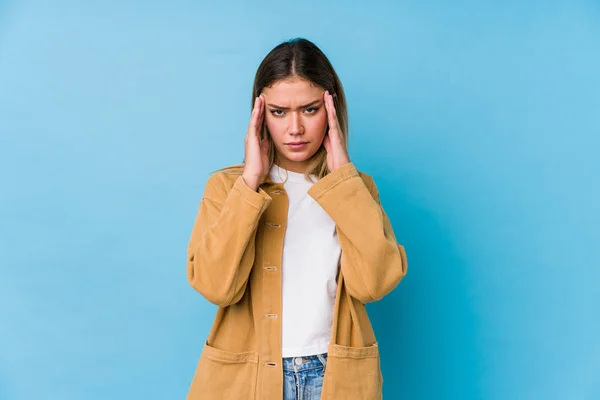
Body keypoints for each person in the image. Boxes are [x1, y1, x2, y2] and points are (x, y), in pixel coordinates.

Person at [185, 37, 407, 400]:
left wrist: (342, 179)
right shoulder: (228, 187)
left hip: (334, 374)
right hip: (248, 378)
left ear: (331, 108)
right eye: (278, 112)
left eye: (308, 109)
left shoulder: (356, 189)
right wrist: (250, 182)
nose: (294, 129)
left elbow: (376, 283)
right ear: (259, 114)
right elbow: (215, 286)